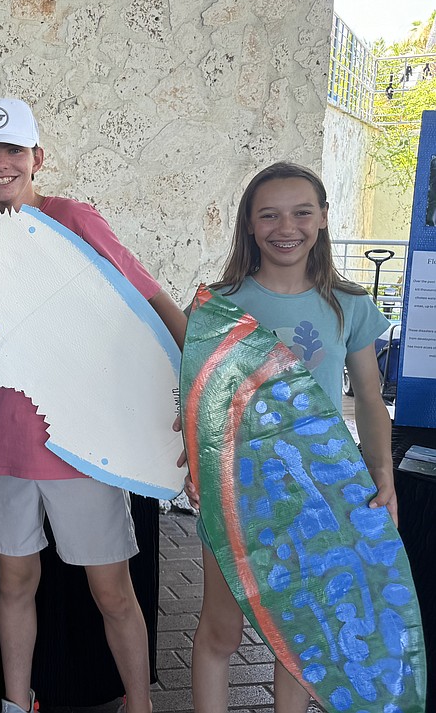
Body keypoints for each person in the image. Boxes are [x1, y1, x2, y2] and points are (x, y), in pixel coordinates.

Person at [0, 98, 187, 713]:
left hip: (84, 445)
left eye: (12, 151)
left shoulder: (74, 218)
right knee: (15, 584)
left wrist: (195, 380)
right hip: (6, 445)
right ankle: (19, 703)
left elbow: (149, 296)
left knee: (112, 589)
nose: (0, 165)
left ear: (36, 158)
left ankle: (139, 703)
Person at [184, 161, 395, 713]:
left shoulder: (349, 305)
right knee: (222, 631)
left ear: (322, 219)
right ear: (249, 226)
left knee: (302, 636)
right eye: (269, 215)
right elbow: (193, 401)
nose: (287, 227)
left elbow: (370, 399)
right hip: (236, 491)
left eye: (302, 212)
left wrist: (383, 478)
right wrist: (194, 468)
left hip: (319, 493)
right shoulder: (219, 304)